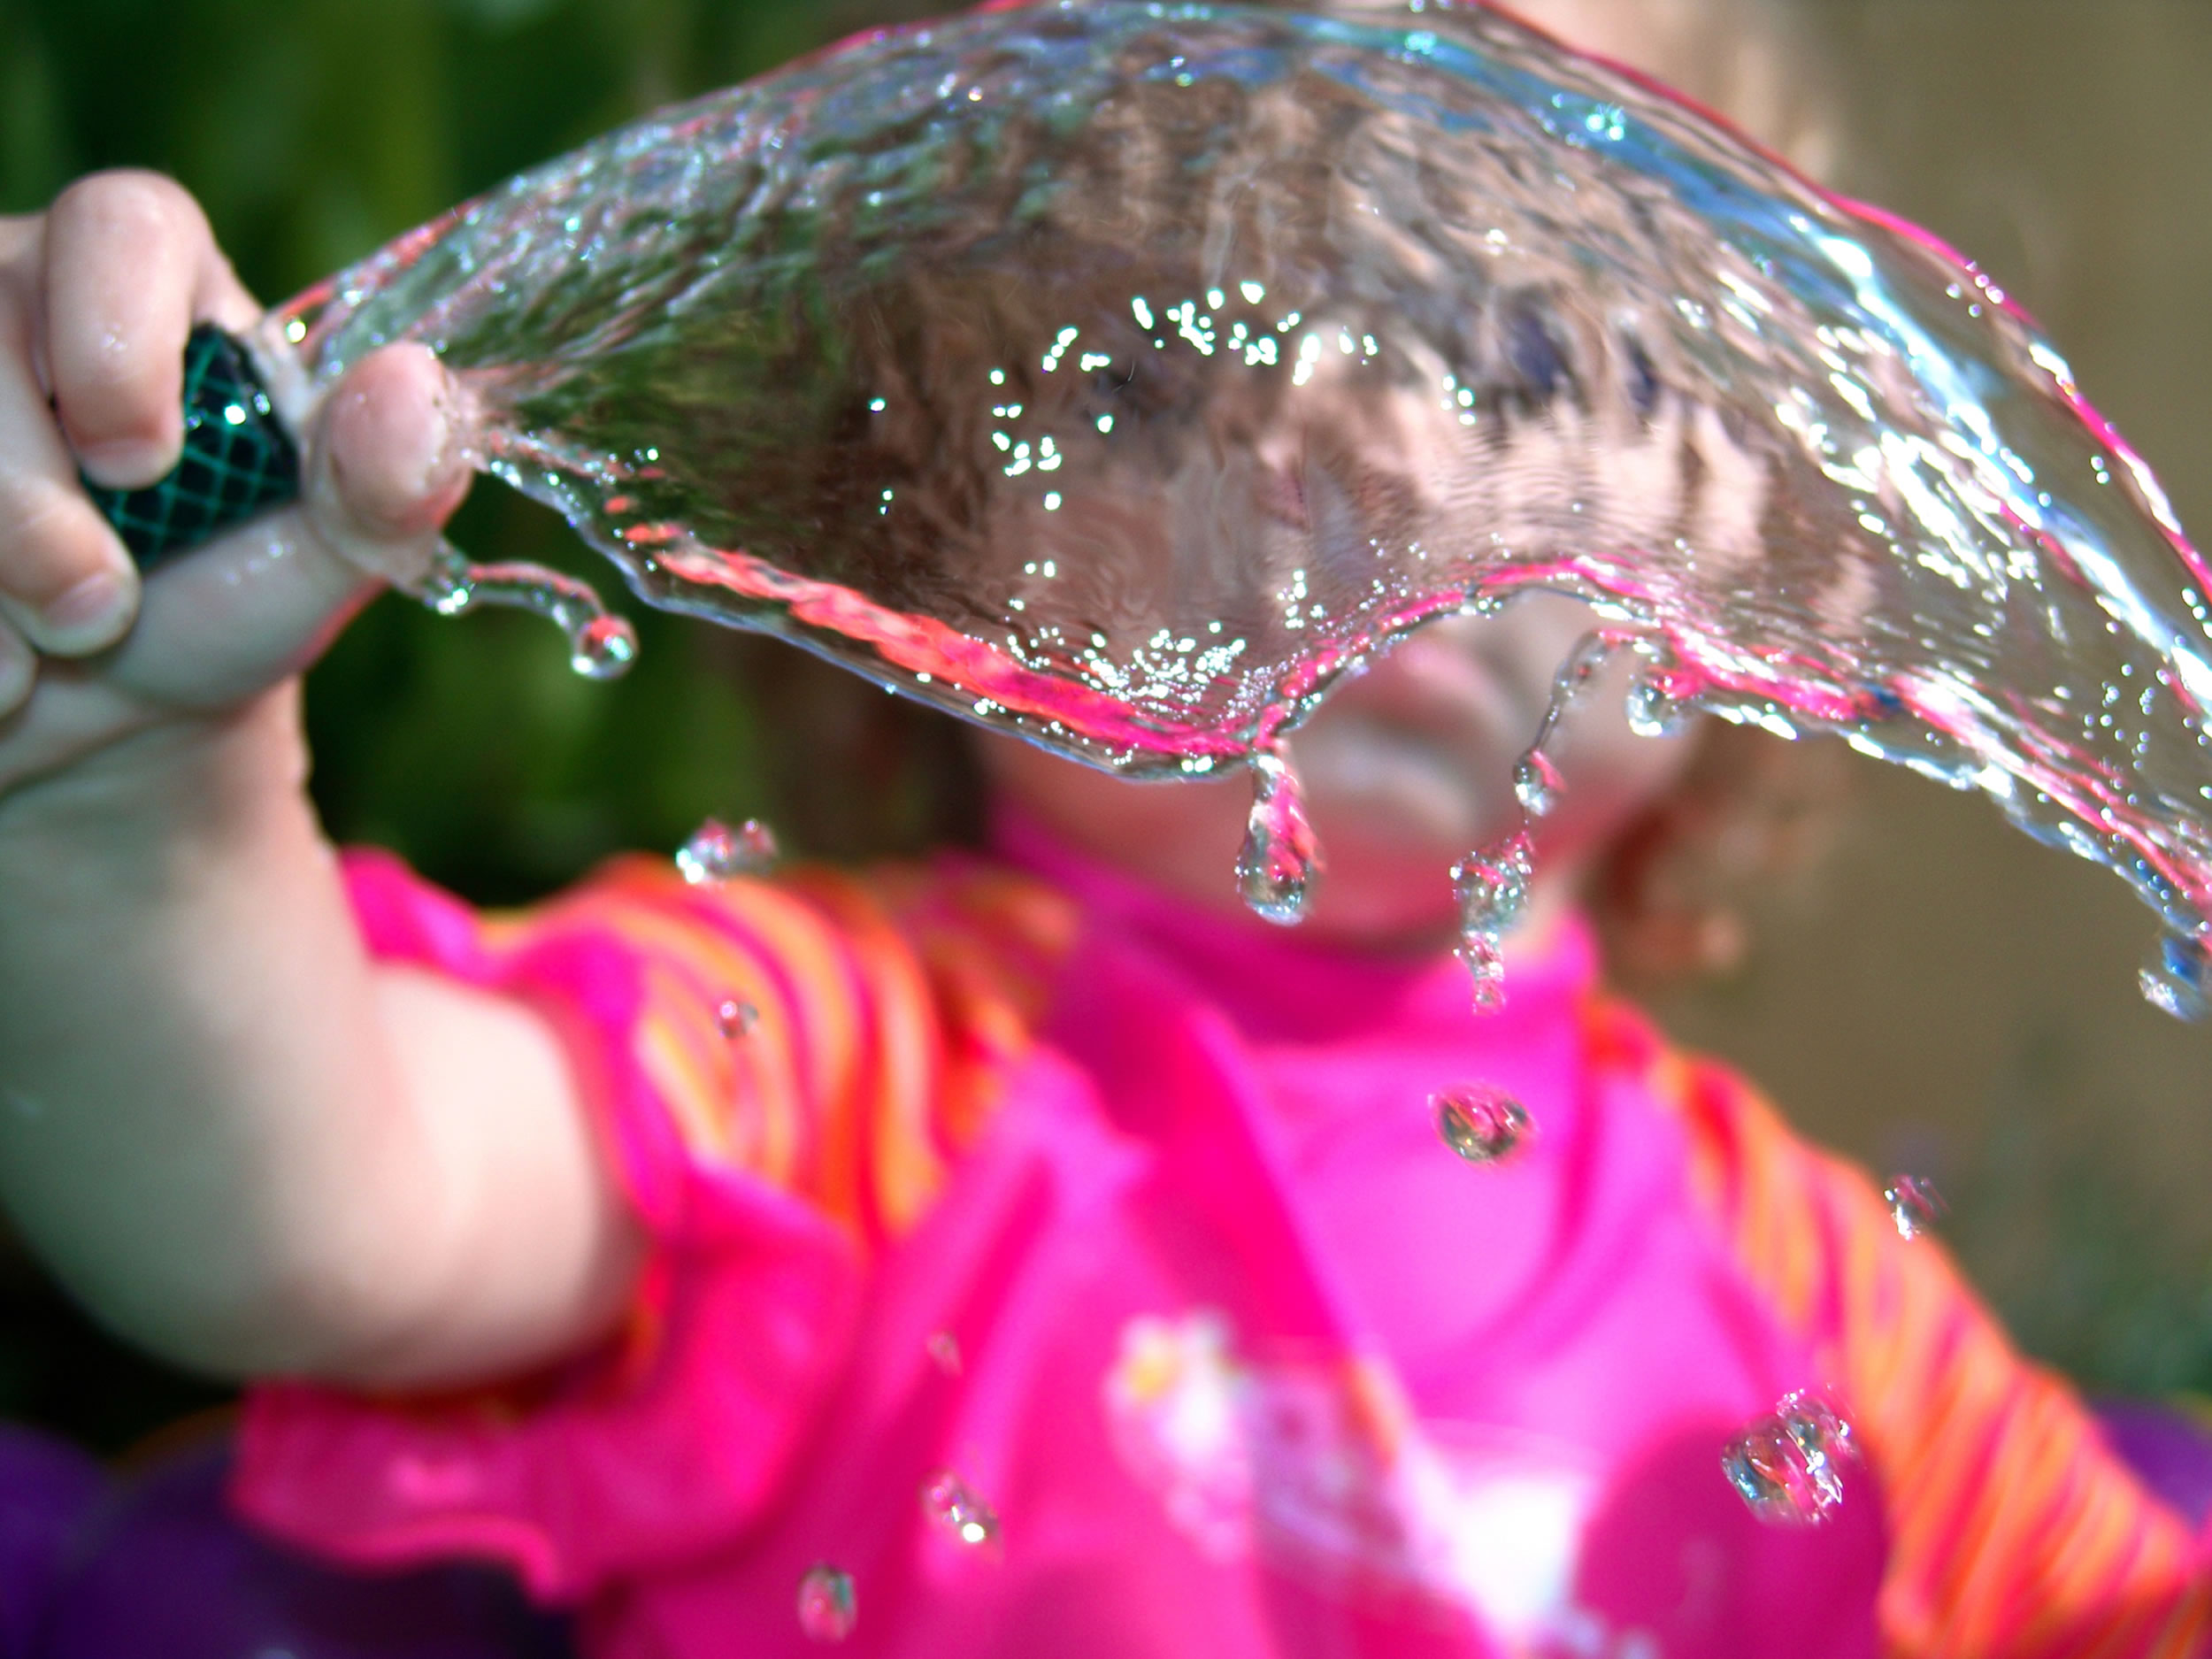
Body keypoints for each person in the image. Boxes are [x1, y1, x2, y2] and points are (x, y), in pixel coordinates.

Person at [0, 2, 2205, 1655]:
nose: (1353, 445)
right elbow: (307, 1204)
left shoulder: (1815, 1306)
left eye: (1529, 351)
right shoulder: (855, 1059)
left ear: (1798, 552)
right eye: (1174, 366)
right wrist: (124, 808)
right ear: (938, 535)